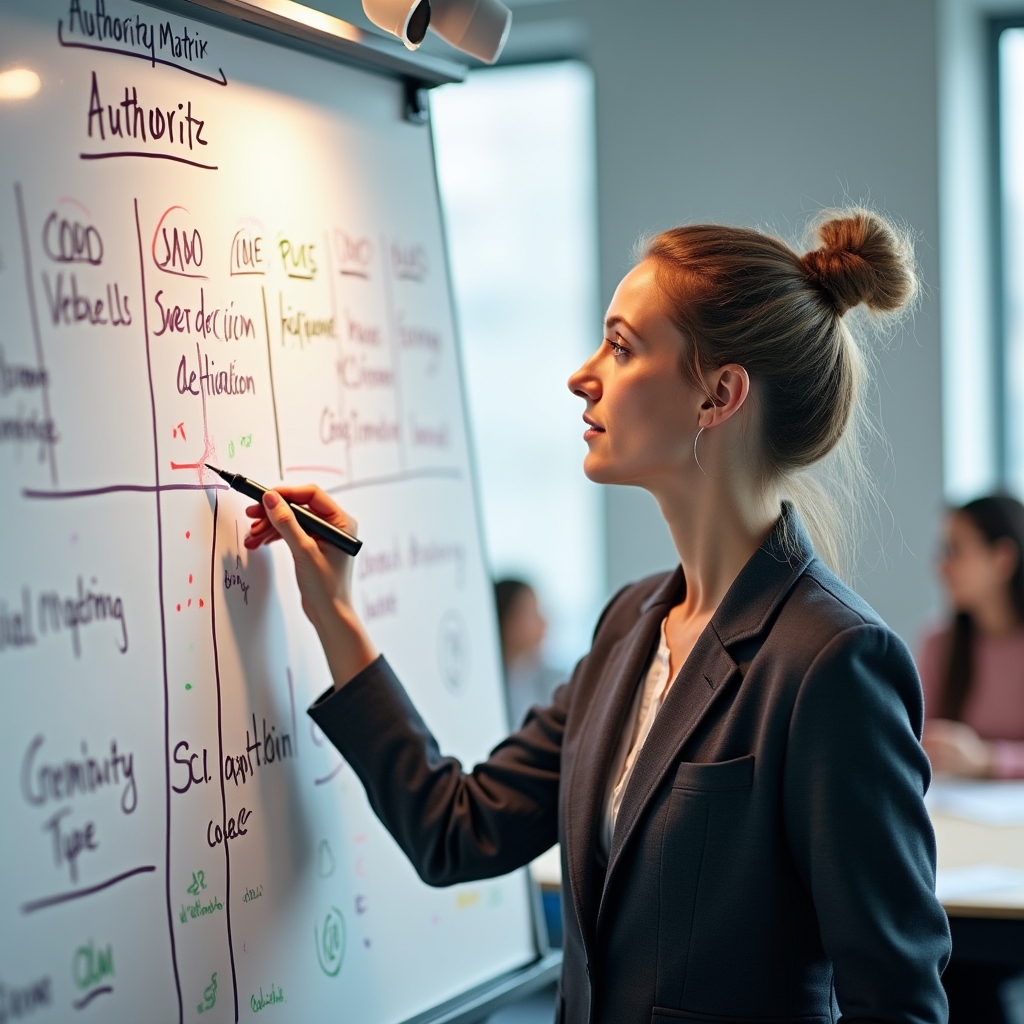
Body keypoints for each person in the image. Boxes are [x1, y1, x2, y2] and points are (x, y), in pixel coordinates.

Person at [244, 209, 950, 1023]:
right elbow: (456, 830)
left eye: (621, 346)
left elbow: (897, 1007)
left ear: (718, 395)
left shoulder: (832, 659)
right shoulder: (628, 627)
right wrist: (334, 610)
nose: (582, 375)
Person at [918, 495, 1024, 778]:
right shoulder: (938, 643)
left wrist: (987, 760)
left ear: (1003, 558)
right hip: (955, 814)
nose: (940, 567)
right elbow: (917, 738)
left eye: (954, 550)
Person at [494, 578, 564, 728]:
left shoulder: (553, 681)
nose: (543, 623)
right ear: (506, 620)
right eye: (532, 613)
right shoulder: (491, 688)